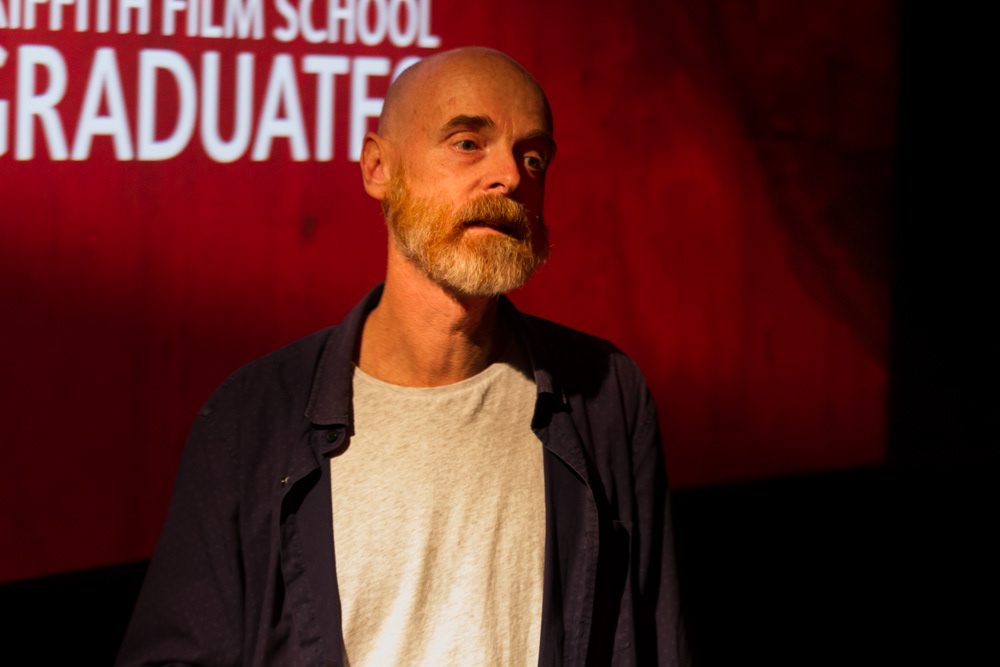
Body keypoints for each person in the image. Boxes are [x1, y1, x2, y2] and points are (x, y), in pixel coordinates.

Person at [116, 46, 686, 666]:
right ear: (377, 167)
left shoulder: (606, 396)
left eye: (533, 158)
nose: (510, 177)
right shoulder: (248, 419)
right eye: (468, 143)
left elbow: (657, 642)